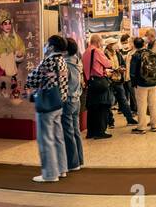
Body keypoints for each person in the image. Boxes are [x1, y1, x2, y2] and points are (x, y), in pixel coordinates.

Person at [25, 34, 69, 182]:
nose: (45, 46)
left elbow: (32, 78)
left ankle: (50, 174)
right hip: (59, 103)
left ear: (51, 46)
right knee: (58, 138)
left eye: (46, 44)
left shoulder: (48, 60)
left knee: (45, 139)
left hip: (47, 105)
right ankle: (62, 169)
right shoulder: (62, 60)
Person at [61, 38, 84, 173]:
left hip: (68, 100)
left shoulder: (65, 64)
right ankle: (79, 160)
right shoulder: (77, 61)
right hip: (77, 99)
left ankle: (72, 163)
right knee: (76, 132)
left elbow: (63, 84)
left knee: (68, 133)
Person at [82, 35, 113, 139]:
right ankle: (100, 132)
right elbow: (108, 64)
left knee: (92, 108)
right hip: (99, 81)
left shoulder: (86, 52)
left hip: (90, 82)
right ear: (98, 42)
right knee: (102, 106)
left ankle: (91, 132)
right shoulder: (97, 51)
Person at [129, 36, 156, 133]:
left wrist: (133, 83)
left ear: (135, 45)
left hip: (141, 84)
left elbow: (132, 72)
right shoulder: (152, 53)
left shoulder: (136, 55)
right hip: (153, 82)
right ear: (144, 44)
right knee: (153, 104)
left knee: (142, 105)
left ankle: (141, 127)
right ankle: (154, 124)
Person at [106, 37, 136, 126]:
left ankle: (129, 119)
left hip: (119, 80)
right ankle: (110, 122)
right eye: (114, 43)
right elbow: (105, 68)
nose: (116, 45)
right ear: (109, 45)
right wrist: (115, 70)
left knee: (123, 100)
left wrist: (122, 68)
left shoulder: (118, 53)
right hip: (109, 81)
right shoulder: (104, 55)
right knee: (109, 102)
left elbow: (122, 63)